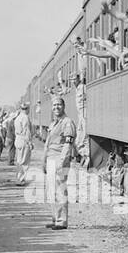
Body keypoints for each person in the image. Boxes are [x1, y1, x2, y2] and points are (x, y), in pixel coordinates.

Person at [43, 96, 78, 230]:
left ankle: (62, 221)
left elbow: (68, 144)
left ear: (63, 107)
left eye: (59, 105)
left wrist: (62, 162)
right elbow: (47, 144)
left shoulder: (67, 123)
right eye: (54, 105)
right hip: (51, 159)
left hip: (59, 159)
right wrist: (44, 161)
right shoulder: (53, 124)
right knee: (52, 191)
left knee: (60, 190)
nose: (56, 107)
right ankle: (55, 218)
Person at [13, 104, 33, 185]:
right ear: (27, 109)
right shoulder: (25, 117)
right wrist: (29, 142)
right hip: (23, 140)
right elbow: (26, 131)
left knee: (19, 160)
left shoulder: (18, 117)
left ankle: (18, 178)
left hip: (18, 139)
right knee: (24, 161)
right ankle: (21, 179)